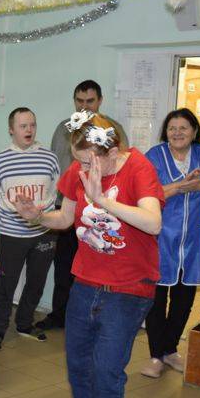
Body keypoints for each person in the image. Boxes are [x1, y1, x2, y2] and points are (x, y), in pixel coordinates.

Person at [17, 111, 163, 398]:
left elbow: (153, 223)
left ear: (112, 151)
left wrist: (103, 201)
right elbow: (66, 218)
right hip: (86, 283)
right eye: (78, 160)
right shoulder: (78, 170)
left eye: (88, 161)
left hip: (129, 288)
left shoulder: (139, 168)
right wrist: (36, 216)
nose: (81, 168)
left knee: (106, 371)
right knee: (79, 368)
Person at [142, 109, 200, 378]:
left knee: (184, 299)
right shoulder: (155, 155)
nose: (177, 133)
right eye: (172, 128)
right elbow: (147, 191)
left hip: (194, 238)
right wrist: (180, 186)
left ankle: (170, 350)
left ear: (194, 131)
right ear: (165, 132)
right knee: (157, 299)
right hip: (161, 236)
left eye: (183, 127)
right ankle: (156, 355)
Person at [44, 80, 128, 331]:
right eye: (79, 101)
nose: (84, 106)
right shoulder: (64, 129)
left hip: (102, 211)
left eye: (89, 101)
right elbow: (56, 165)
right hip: (68, 205)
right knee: (64, 267)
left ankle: (96, 319)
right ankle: (59, 316)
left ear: (100, 101)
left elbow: (121, 165)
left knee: (97, 268)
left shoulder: (113, 128)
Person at [0, 107, 60, 349]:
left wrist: (38, 211)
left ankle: (25, 323)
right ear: (11, 130)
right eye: (23, 126)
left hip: (43, 231)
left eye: (32, 125)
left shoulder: (49, 158)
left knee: (36, 281)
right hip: (12, 233)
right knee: (6, 284)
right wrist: (16, 209)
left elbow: (54, 191)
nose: (29, 130)